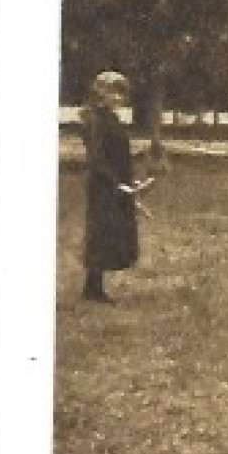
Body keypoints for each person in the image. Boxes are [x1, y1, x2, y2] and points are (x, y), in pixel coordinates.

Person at [80, 71, 150, 304]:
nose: (119, 98)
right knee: (101, 233)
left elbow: (115, 151)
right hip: (102, 186)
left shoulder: (109, 117)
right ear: (101, 93)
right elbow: (97, 158)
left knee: (107, 233)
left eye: (121, 93)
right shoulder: (97, 120)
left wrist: (130, 176)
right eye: (114, 92)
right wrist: (116, 183)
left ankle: (93, 287)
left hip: (113, 184)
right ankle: (93, 290)